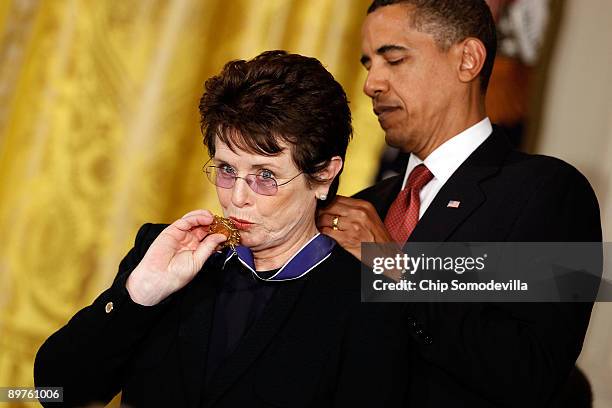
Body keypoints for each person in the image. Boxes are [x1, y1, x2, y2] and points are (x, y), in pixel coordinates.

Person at [34, 50, 409, 408]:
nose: (237, 198)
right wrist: (137, 297)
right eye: (227, 170)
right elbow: (58, 391)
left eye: (265, 176)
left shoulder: (365, 304)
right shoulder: (164, 255)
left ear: (324, 175)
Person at [317, 1, 602, 407]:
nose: (371, 84)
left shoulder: (551, 192)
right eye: (368, 65)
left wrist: (392, 266)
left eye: (393, 60)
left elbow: (532, 371)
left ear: (467, 59)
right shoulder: (364, 207)